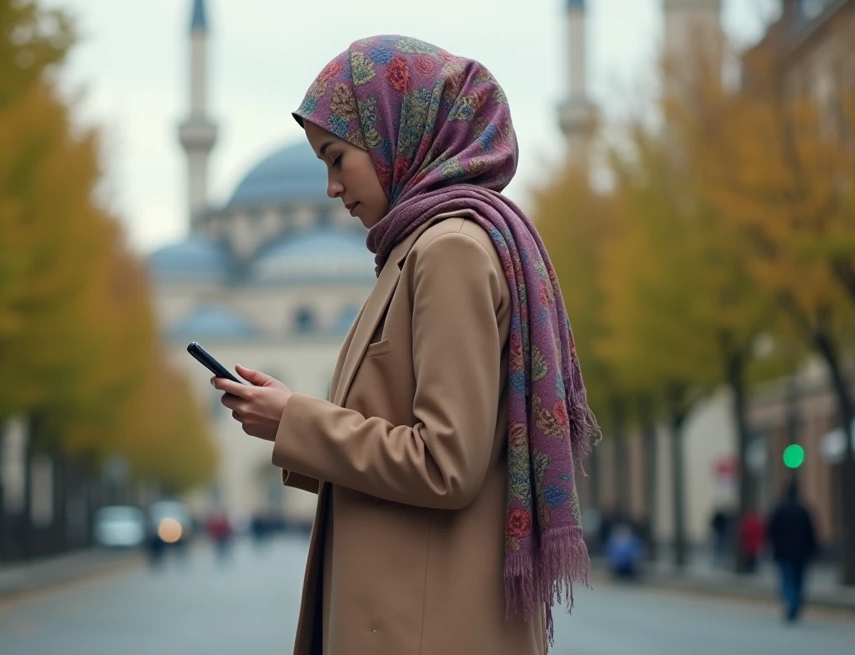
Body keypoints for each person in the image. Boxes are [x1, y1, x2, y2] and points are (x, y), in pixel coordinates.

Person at [211, 35, 601, 655]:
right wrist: (294, 422)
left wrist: (297, 420)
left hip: (422, 630)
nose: (332, 188)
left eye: (338, 158)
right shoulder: (416, 250)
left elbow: (446, 463)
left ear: (399, 133)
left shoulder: (447, 251)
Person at [766, 481, 818, 623]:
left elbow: (772, 530)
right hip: (802, 551)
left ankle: (792, 602)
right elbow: (811, 531)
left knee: (788, 579)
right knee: (798, 579)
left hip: (784, 551)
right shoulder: (803, 509)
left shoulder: (779, 509)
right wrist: (813, 549)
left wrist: (773, 547)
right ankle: (796, 601)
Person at [738, 508, 765, 573]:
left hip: (749, 543)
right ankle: (752, 568)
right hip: (754, 543)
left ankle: (750, 568)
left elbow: (744, 532)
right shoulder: (757, 523)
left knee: (750, 557)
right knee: (752, 557)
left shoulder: (748, 522)